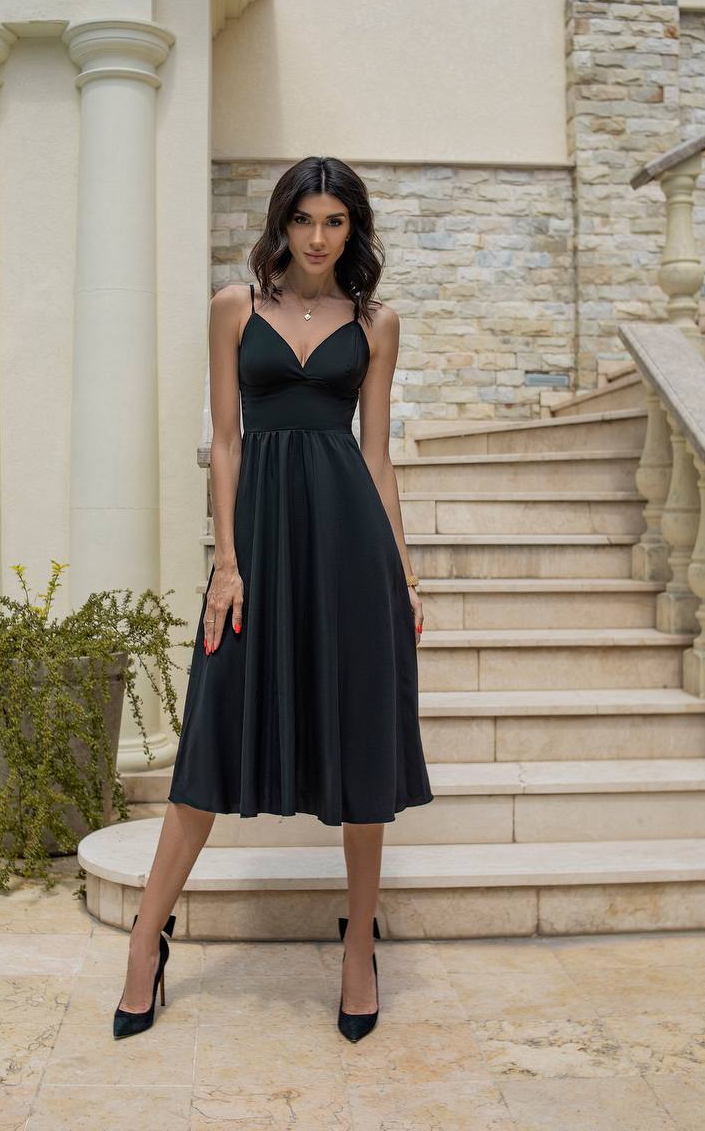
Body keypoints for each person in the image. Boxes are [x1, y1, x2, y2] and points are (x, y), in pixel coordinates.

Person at [113, 155, 434, 1044]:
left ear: (352, 229)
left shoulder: (375, 323)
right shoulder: (234, 307)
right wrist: (226, 562)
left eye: (334, 222)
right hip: (257, 547)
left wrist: (403, 574)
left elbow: (376, 457)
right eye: (304, 220)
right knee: (211, 740)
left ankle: (359, 945)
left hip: (349, 550)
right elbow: (224, 442)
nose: (318, 238)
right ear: (281, 224)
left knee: (361, 745)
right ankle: (145, 940)